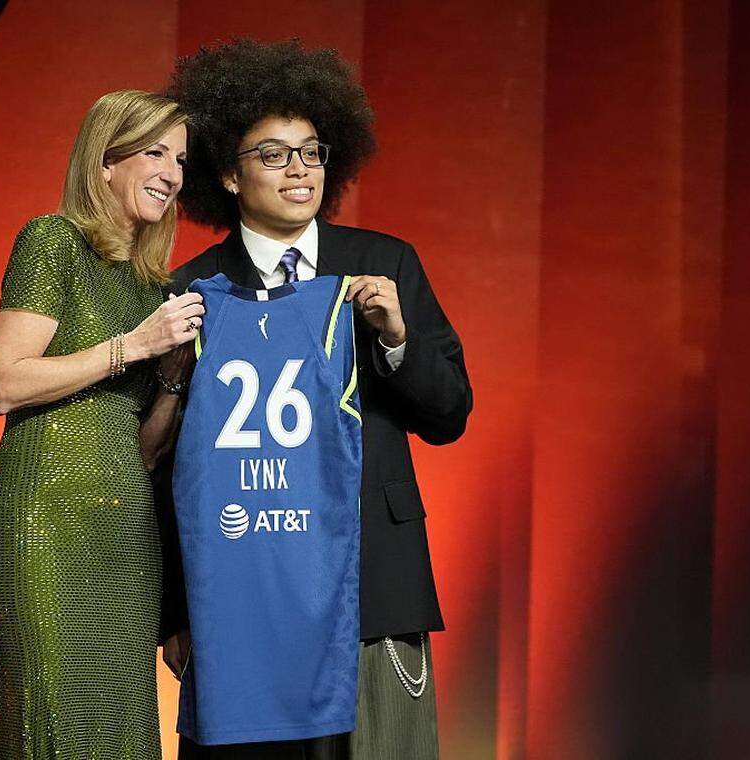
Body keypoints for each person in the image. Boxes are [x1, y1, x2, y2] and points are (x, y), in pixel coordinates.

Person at [155, 40, 473, 759]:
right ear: (229, 177)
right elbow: (167, 471)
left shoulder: (385, 264)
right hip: (238, 596)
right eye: (272, 154)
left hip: (370, 585)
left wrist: (396, 339)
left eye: (311, 151)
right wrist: (175, 610)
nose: (299, 169)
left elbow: (451, 413)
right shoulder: (188, 292)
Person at [0, 90, 202, 759]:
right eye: (154, 152)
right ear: (105, 162)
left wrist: (171, 377)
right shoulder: (54, 241)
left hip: (124, 529)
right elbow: (3, 382)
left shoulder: (151, 287)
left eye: (182, 160)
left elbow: (141, 448)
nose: (172, 172)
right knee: (50, 717)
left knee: (121, 725)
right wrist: (131, 347)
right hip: (47, 519)